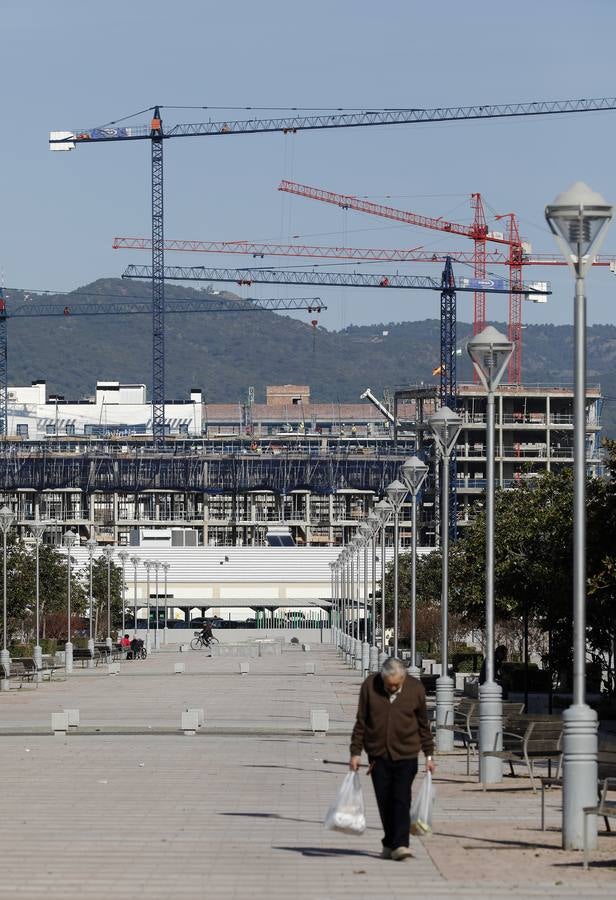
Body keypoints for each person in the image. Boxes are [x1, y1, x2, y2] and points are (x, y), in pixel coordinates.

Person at [350, 657, 435, 861]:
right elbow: (361, 721)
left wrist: (429, 755)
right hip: (378, 754)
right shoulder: (370, 686)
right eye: (389, 685)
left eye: (397, 684)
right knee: (384, 800)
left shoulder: (415, 689)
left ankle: (401, 844)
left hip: (407, 753)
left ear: (403, 678)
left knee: (401, 798)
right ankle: (389, 842)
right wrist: (355, 752)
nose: (393, 688)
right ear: (382, 678)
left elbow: (423, 724)